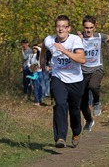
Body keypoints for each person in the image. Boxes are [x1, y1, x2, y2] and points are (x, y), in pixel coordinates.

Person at [40, 15, 85, 148]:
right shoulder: (49, 40)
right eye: (58, 26)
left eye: (64, 27)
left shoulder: (75, 40)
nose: (60, 29)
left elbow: (82, 59)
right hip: (58, 77)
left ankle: (76, 132)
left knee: (74, 109)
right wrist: (42, 60)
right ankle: (60, 137)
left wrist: (65, 51)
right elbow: (43, 46)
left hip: (76, 80)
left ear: (68, 28)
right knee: (60, 104)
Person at [77, 15, 109, 131]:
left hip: (97, 68)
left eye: (91, 28)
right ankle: (89, 120)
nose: (88, 30)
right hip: (83, 71)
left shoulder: (99, 36)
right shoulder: (78, 38)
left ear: (94, 27)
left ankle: (96, 102)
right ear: (83, 27)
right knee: (82, 102)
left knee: (94, 85)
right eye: (86, 28)